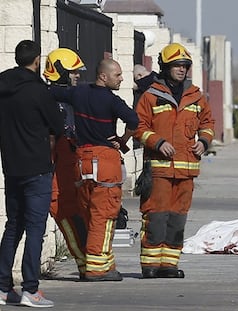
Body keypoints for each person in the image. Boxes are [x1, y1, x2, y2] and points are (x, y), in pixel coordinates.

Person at [50, 58, 138, 282]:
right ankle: (97, 269)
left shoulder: (78, 94)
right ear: (104, 76)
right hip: (105, 161)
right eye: (117, 75)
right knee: (104, 216)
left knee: (89, 213)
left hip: (81, 162)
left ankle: (105, 265)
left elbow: (53, 93)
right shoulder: (112, 100)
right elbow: (134, 120)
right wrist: (122, 140)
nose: (121, 79)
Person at [134, 42, 215, 278]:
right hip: (159, 170)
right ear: (165, 67)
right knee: (156, 216)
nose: (181, 69)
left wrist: (204, 142)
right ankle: (150, 265)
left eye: (185, 66)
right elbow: (138, 126)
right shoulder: (151, 96)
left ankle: (169, 264)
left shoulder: (196, 96)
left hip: (187, 170)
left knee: (177, 218)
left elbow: (208, 123)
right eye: (176, 65)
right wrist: (158, 143)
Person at [0, 40, 64, 307]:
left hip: (11, 166)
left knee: (13, 225)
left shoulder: (2, 87)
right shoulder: (39, 92)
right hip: (37, 167)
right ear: (37, 60)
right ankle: (30, 289)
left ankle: (3, 287)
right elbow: (58, 126)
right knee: (36, 227)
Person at [43, 48, 88, 279]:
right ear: (59, 71)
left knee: (77, 213)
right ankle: (84, 263)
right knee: (65, 212)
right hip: (56, 169)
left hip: (71, 166)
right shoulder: (50, 98)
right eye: (73, 72)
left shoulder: (70, 97)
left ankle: (87, 262)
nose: (77, 76)